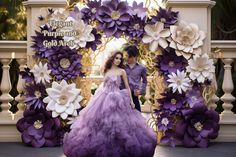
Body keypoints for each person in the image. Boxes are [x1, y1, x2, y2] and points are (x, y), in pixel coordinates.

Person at [63, 51, 156, 157]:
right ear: (112, 59)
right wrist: (96, 99)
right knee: (98, 123)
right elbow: (104, 85)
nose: (118, 60)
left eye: (120, 59)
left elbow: (127, 87)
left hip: (117, 98)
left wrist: (131, 101)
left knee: (119, 124)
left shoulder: (122, 71)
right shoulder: (106, 70)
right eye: (116, 58)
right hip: (104, 96)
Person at [123, 45, 147, 112]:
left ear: (135, 56)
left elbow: (145, 81)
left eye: (129, 56)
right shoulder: (122, 66)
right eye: (126, 56)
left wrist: (141, 91)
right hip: (123, 94)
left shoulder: (142, 68)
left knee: (137, 115)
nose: (126, 58)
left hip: (134, 95)